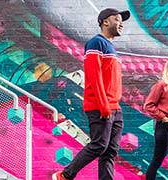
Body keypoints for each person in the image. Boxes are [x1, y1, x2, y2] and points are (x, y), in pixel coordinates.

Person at [52, 8, 130, 180]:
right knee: (99, 145)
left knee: (110, 151)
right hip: (101, 106)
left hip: (115, 108)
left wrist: (115, 107)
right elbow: (94, 77)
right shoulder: (96, 43)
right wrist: (104, 107)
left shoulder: (112, 48)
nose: (121, 23)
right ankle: (64, 175)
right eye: (117, 19)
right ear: (105, 21)